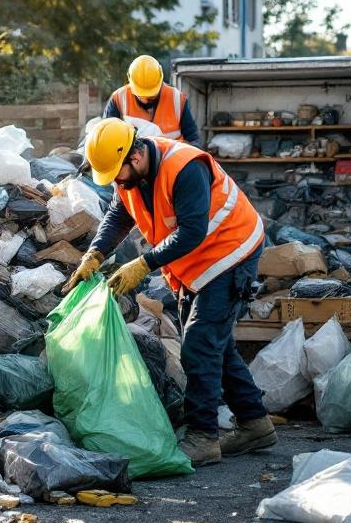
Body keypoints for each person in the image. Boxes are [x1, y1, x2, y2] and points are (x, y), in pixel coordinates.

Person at [65, 118, 275, 466]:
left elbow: (192, 232)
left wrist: (142, 264)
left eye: (117, 174)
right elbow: (120, 214)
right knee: (214, 345)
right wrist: (95, 253)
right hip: (196, 261)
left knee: (199, 344)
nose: (116, 182)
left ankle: (203, 438)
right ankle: (255, 423)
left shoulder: (185, 167)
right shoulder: (131, 175)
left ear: (134, 156)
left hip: (231, 250)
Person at [103, 55, 200, 144]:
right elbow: (106, 137)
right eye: (140, 96)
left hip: (170, 160)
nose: (145, 100)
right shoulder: (118, 99)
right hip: (134, 161)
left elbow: (193, 139)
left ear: (160, 81)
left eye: (151, 96)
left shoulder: (177, 100)